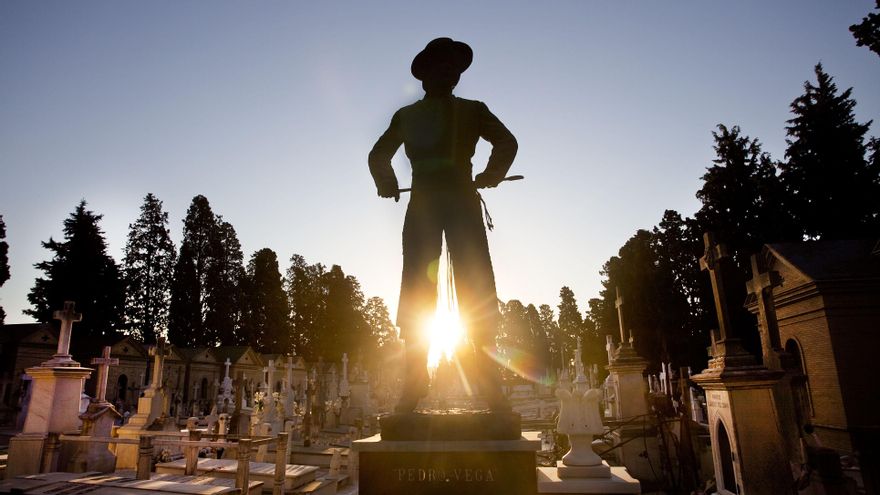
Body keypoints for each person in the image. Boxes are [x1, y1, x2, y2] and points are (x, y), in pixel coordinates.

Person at [368, 37, 518, 413]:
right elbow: (378, 154)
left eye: (455, 66)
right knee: (417, 286)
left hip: (459, 202)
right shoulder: (407, 116)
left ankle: (487, 384)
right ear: (426, 74)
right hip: (425, 205)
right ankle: (414, 381)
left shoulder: (473, 110)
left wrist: (492, 173)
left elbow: (506, 142)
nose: (450, 71)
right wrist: (385, 181)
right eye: (442, 65)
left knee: (476, 284)